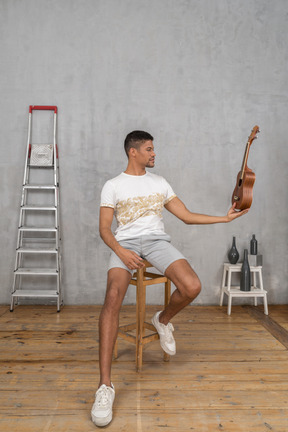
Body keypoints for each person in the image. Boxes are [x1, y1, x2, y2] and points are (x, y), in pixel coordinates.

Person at [91, 130, 248, 427]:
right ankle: (105, 387)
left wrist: (223, 218)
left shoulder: (159, 183)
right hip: (124, 244)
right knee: (112, 296)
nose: (154, 154)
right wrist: (121, 253)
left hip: (156, 243)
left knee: (192, 286)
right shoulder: (112, 186)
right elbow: (105, 230)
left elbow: (186, 216)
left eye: (154, 149)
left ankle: (162, 319)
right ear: (133, 152)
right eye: (149, 149)